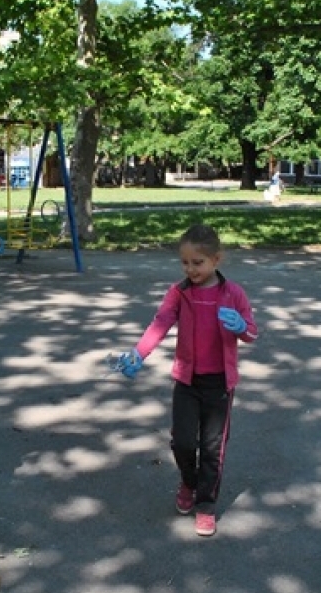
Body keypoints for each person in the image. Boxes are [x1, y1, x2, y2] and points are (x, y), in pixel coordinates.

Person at [115, 224, 258, 537]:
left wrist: (240, 327)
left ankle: (205, 504)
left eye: (198, 263)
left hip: (220, 384)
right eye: (185, 263)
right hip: (187, 381)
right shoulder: (179, 293)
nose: (191, 269)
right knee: (182, 441)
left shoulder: (233, 293)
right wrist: (139, 353)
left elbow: (251, 332)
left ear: (216, 260)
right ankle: (188, 482)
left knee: (212, 448)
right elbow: (161, 322)